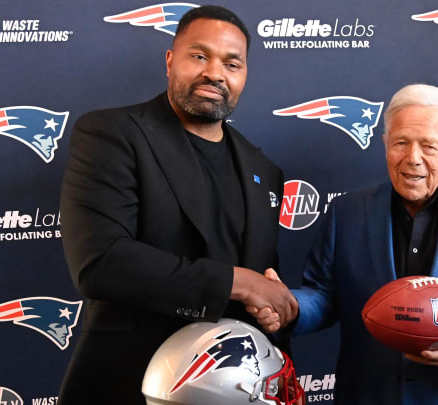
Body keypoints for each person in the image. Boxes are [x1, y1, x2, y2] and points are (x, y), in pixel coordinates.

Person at [58, 6, 297, 404]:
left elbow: (260, 290)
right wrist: (240, 282)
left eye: (231, 63)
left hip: (234, 392)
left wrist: (268, 309)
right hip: (129, 382)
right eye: (199, 56)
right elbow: (100, 263)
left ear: (244, 75)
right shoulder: (112, 134)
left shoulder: (264, 170)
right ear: (171, 60)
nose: (215, 73)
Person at [251, 84, 438, 404]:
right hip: (367, 394)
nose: (413, 158)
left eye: (429, 146)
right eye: (401, 142)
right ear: (386, 144)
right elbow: (325, 295)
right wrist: (289, 307)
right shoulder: (346, 212)